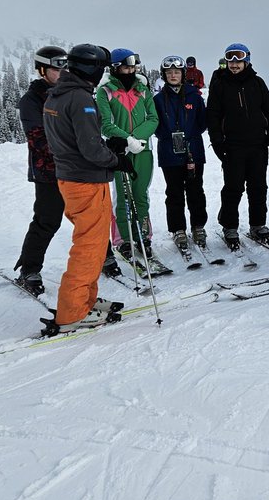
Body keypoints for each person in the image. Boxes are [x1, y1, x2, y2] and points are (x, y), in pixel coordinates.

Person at [41, 43, 134, 334]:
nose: (102, 74)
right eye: (101, 68)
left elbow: (77, 138)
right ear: (91, 68)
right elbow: (90, 149)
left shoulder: (59, 93)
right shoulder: (80, 98)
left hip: (73, 177)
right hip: (85, 180)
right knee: (90, 246)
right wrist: (116, 159)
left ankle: (85, 299)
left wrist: (109, 146)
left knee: (92, 242)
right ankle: (73, 311)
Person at [206, 42, 269, 249]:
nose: (234, 64)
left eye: (238, 59)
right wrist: (217, 142)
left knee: (258, 187)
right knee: (233, 188)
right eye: (230, 59)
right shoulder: (220, 85)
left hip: (257, 144)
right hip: (233, 146)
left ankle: (258, 224)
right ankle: (229, 226)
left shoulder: (257, 82)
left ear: (246, 61)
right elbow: (213, 115)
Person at [11, 44, 67, 294]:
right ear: (42, 70)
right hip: (48, 171)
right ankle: (29, 269)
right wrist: (73, 152)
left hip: (75, 169)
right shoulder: (31, 100)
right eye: (57, 69)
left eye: (65, 68)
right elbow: (38, 139)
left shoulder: (69, 94)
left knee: (88, 217)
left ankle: (103, 257)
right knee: (47, 220)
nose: (62, 73)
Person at [97, 48, 159, 265]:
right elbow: (105, 124)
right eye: (126, 66)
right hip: (120, 151)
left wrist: (138, 139)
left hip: (143, 149)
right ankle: (123, 239)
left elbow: (153, 118)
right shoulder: (105, 91)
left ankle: (143, 235)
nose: (131, 70)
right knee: (122, 196)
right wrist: (127, 140)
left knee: (140, 193)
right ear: (115, 68)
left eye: (133, 66)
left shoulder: (142, 89)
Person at [152, 55, 209, 254]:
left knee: (196, 190)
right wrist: (168, 136)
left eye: (177, 72)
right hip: (170, 152)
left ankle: (198, 226)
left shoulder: (195, 97)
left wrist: (189, 136)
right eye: (169, 73)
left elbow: (202, 122)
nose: (173, 75)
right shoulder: (158, 100)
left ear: (183, 74)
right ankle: (178, 229)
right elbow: (155, 124)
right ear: (164, 75)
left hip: (193, 150)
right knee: (174, 192)